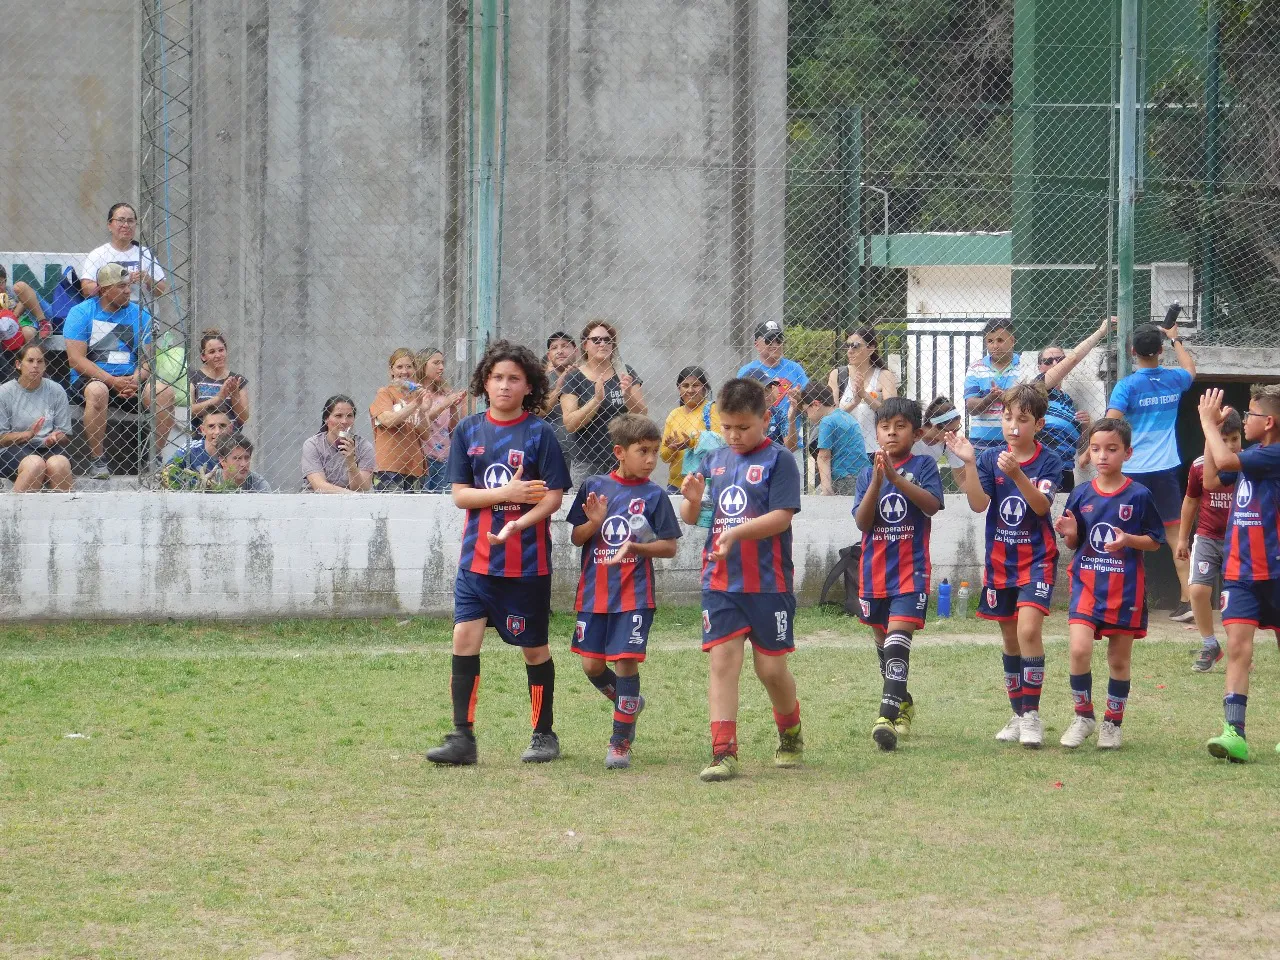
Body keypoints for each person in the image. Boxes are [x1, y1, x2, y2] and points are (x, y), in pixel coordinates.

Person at [427, 340, 571, 767]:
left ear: (529, 386)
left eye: (514, 379)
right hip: (476, 562)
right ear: (484, 383)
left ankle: (544, 733)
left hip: (525, 564)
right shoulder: (469, 430)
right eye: (497, 378)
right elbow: (459, 496)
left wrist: (518, 521)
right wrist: (504, 493)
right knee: (463, 637)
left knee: (533, 648)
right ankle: (462, 738)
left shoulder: (539, 433)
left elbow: (554, 497)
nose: (504, 385)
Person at [679, 377, 804, 782]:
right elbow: (693, 517)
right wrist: (694, 500)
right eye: (727, 426)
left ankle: (790, 733)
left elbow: (782, 516)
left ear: (765, 419)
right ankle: (723, 753)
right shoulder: (713, 461)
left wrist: (736, 531)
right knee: (723, 663)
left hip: (769, 584)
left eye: (743, 427)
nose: (734, 435)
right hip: (720, 581)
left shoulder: (779, 460)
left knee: (770, 671)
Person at [948, 383, 1063, 748]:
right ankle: (1017, 714)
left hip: (1037, 562)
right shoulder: (987, 458)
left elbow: (1041, 506)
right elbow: (979, 505)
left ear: (1039, 424)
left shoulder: (1049, 461)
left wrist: (1016, 475)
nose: (1013, 426)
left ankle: (1032, 716)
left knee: (1029, 632)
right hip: (1000, 563)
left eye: (1023, 419)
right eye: (1007, 417)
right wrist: (968, 462)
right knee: (1011, 639)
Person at [567, 414, 681, 769]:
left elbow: (668, 547)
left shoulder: (655, 495)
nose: (651, 460)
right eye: (642, 451)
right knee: (591, 665)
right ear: (620, 451)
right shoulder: (594, 487)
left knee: (626, 663)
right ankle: (628, 703)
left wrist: (637, 548)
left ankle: (619, 742)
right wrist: (595, 523)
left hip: (634, 595)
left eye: (654, 452)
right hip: (593, 594)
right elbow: (576, 537)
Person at [1054, 418, 1165, 750]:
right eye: (1096, 448)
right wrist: (1072, 534)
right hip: (1086, 584)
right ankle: (1083, 716)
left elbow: (1155, 541)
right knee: (1078, 649)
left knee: (1118, 660)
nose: (1102, 455)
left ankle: (1112, 724)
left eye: (1111, 449)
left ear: (1127, 453)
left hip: (1125, 590)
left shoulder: (1140, 495)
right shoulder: (1081, 494)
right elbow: (1074, 542)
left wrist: (1128, 539)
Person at [853, 397, 944, 752]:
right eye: (885, 427)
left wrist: (895, 477)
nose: (891, 433)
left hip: (911, 573)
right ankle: (903, 700)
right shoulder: (865, 472)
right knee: (883, 644)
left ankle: (887, 715)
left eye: (900, 426)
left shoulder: (923, 465)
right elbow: (862, 522)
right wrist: (878, 481)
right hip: (874, 573)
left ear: (916, 432)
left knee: (896, 641)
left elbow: (932, 505)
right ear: (876, 432)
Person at [1199, 387, 1280, 763]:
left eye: (1249, 414)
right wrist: (1208, 431)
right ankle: (1235, 733)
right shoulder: (1251, 456)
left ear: (1269, 423)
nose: (1243, 420)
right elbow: (1212, 481)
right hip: (1241, 571)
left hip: (1276, 572)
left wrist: (1208, 423)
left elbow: (1226, 463)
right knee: (1237, 649)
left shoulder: (1273, 454)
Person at [1105, 320, 1197, 621]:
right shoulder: (1174, 379)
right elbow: (1191, 372)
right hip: (1166, 470)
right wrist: (1176, 340)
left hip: (1132, 472)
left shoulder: (1127, 386)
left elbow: (1111, 421)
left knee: (1125, 534)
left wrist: (1089, 452)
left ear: (1132, 352)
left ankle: (1127, 601)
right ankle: (1188, 600)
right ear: (1159, 350)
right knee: (1175, 536)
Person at [64, 263, 176, 479]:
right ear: (105, 290)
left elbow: (148, 359)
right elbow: (76, 360)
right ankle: (98, 461)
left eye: (128, 286)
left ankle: (153, 459)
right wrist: (111, 380)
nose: (128, 291)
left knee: (165, 394)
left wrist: (135, 380)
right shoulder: (81, 313)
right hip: (93, 379)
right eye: (121, 287)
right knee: (98, 391)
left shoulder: (141, 314)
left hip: (131, 380)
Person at [1178, 410, 1242, 673]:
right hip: (1207, 536)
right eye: (1223, 439)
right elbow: (1191, 500)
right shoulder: (1199, 466)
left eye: (1234, 439)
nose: (1229, 445)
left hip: (1239, 539)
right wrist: (1182, 537)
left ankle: (1239, 650)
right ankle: (1209, 644)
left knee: (1236, 599)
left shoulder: (1248, 465)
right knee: (1198, 591)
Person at [560, 319, 647, 485]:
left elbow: (642, 414)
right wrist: (597, 400)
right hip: (587, 462)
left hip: (623, 459)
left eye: (608, 340)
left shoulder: (625, 372)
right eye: (596, 340)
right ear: (585, 345)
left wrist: (628, 394)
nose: (602, 344)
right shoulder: (575, 377)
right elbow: (570, 424)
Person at [1034, 316, 1114, 492]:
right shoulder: (1037, 390)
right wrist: (1101, 332)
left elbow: (1078, 445)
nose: (1055, 363)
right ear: (1040, 367)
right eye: (1048, 361)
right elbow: (1073, 359)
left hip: (1065, 470)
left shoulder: (1068, 402)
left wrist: (1086, 426)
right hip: (1040, 468)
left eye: (1059, 359)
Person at [0, 343, 72, 492]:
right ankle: (16, 514)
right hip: (14, 449)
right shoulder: (5, 392)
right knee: (35, 464)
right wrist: (28, 434)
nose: (35, 366)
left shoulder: (56, 390)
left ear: (45, 366)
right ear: (19, 364)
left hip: (47, 447)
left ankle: (64, 513)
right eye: (30, 361)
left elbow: (65, 435)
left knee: (60, 464)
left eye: (40, 361)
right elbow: (1, 439)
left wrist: (55, 437)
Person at [963, 318, 1029, 454]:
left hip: (1016, 440)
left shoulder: (1025, 366)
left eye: (1000, 340)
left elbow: (1031, 403)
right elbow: (971, 407)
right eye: (990, 341)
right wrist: (991, 398)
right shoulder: (976, 368)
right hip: (981, 443)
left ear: (1012, 340)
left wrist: (1005, 396)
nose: (994, 346)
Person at [827, 325, 898, 451]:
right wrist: (854, 403)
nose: (850, 350)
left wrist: (865, 395)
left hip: (875, 450)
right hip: (845, 452)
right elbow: (831, 417)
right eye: (847, 346)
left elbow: (891, 414)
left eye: (855, 346)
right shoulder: (837, 375)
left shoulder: (884, 376)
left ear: (871, 349)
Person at [80, 202, 167, 301]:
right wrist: (121, 280)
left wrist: (147, 279)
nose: (126, 225)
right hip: (109, 313)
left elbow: (161, 290)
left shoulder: (145, 253)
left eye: (130, 221)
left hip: (141, 313)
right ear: (109, 225)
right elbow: (86, 289)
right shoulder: (98, 254)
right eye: (120, 220)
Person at [369, 348, 430, 492]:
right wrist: (415, 404)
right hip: (390, 467)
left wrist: (421, 410)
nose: (404, 371)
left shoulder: (417, 395)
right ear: (391, 370)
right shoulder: (385, 393)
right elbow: (388, 420)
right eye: (399, 367)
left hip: (415, 468)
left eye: (409, 367)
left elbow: (426, 434)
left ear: (415, 370)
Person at [738, 320, 809, 438]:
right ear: (757, 344)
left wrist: (800, 399)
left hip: (791, 439)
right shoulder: (747, 372)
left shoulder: (795, 369)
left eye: (779, 340)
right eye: (769, 340)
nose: (775, 345)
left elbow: (809, 403)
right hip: (757, 439)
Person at [660, 365, 721, 492]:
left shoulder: (712, 410)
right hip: (675, 485)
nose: (690, 390)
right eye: (685, 385)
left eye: (696, 385)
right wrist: (673, 448)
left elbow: (719, 444)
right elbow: (664, 457)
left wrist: (691, 443)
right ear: (679, 388)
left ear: (704, 388)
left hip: (704, 482)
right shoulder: (674, 414)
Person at [802, 383, 868, 496]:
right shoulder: (845, 416)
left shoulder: (827, 421)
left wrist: (826, 491)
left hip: (844, 478)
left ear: (816, 405)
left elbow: (824, 457)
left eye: (806, 411)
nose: (807, 416)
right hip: (862, 475)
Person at [416, 348, 466, 493]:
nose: (441, 367)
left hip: (444, 458)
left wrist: (453, 406)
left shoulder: (444, 392)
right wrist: (444, 405)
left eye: (442, 363)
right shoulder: (416, 393)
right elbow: (419, 421)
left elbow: (453, 429)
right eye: (436, 363)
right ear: (422, 365)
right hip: (423, 457)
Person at [300, 395, 374, 493]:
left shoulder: (364, 446)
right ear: (326, 419)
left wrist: (351, 462)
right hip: (316, 500)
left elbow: (362, 488)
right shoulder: (313, 444)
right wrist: (352, 495)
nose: (344, 421)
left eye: (349, 416)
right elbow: (319, 486)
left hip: (351, 503)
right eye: (338, 416)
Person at [189, 330, 250, 434]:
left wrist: (234, 395)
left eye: (221, 350)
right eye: (212, 352)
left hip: (231, 438)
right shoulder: (194, 377)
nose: (218, 355)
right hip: (202, 439)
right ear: (203, 357)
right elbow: (189, 411)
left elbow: (243, 418)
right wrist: (218, 399)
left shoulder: (237, 379)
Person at [162, 410, 234, 488]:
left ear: (230, 428)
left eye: (222, 426)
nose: (217, 431)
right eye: (211, 426)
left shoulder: (238, 450)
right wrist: (197, 485)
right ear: (202, 430)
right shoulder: (190, 448)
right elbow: (167, 472)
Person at [914, 397, 966, 485]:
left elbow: (963, 481)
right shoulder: (912, 437)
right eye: (952, 431)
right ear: (935, 427)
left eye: (957, 429)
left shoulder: (947, 443)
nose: (955, 435)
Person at [541, 331, 577, 451]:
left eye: (565, 346)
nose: (560, 351)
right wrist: (559, 388)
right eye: (554, 348)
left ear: (575, 350)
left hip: (584, 453)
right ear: (549, 355)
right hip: (551, 448)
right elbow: (537, 413)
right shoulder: (541, 380)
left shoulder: (586, 376)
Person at [0, 264, 52, 342]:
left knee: (19, 286)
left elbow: (24, 302)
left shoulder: (10, 291)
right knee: (27, 333)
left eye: (1, 283)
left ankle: (44, 323)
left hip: (40, 312)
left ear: (5, 281)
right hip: (26, 322)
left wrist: (12, 317)